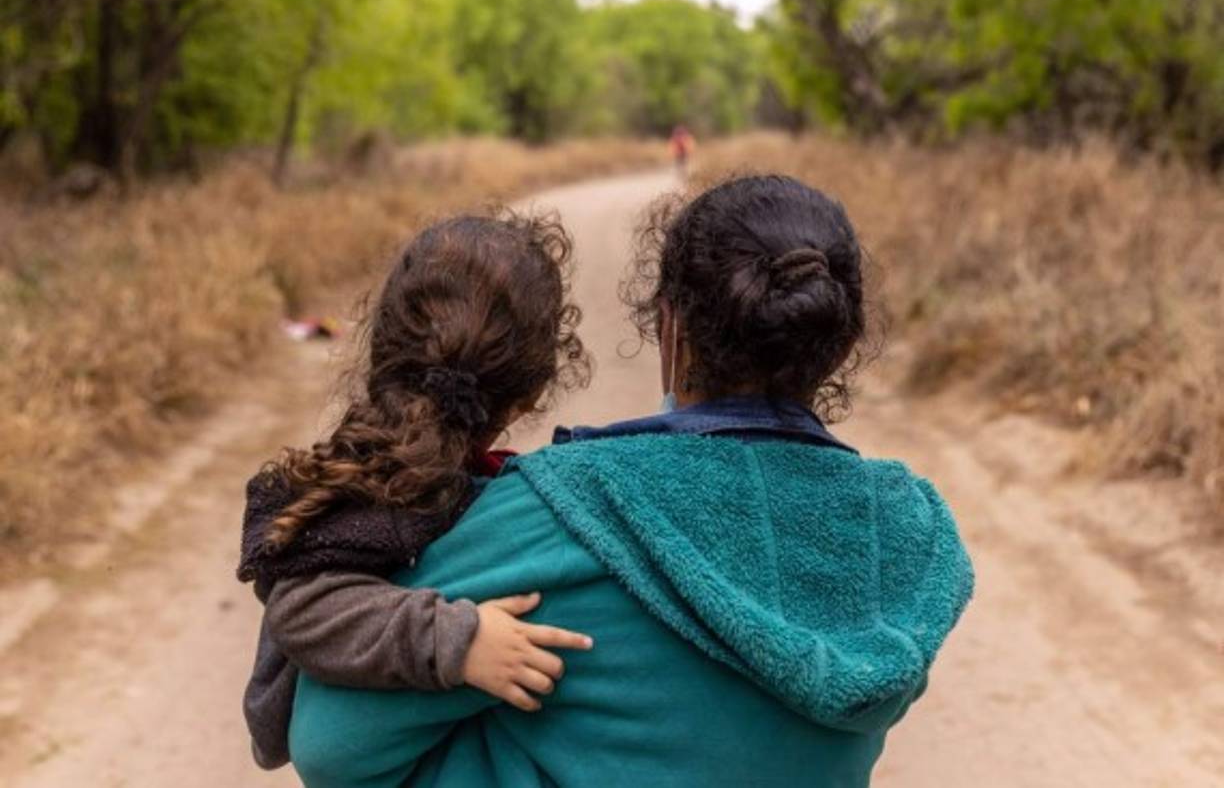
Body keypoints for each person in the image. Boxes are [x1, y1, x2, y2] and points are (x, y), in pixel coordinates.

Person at [289, 175, 975, 788]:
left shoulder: (568, 507)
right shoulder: (896, 532)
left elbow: (328, 746)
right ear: (842, 342)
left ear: (670, 328)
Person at [236, 209, 594, 769]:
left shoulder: (463, 473)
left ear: (382, 349)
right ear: (531, 395)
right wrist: (458, 641)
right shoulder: (393, 479)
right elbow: (300, 608)